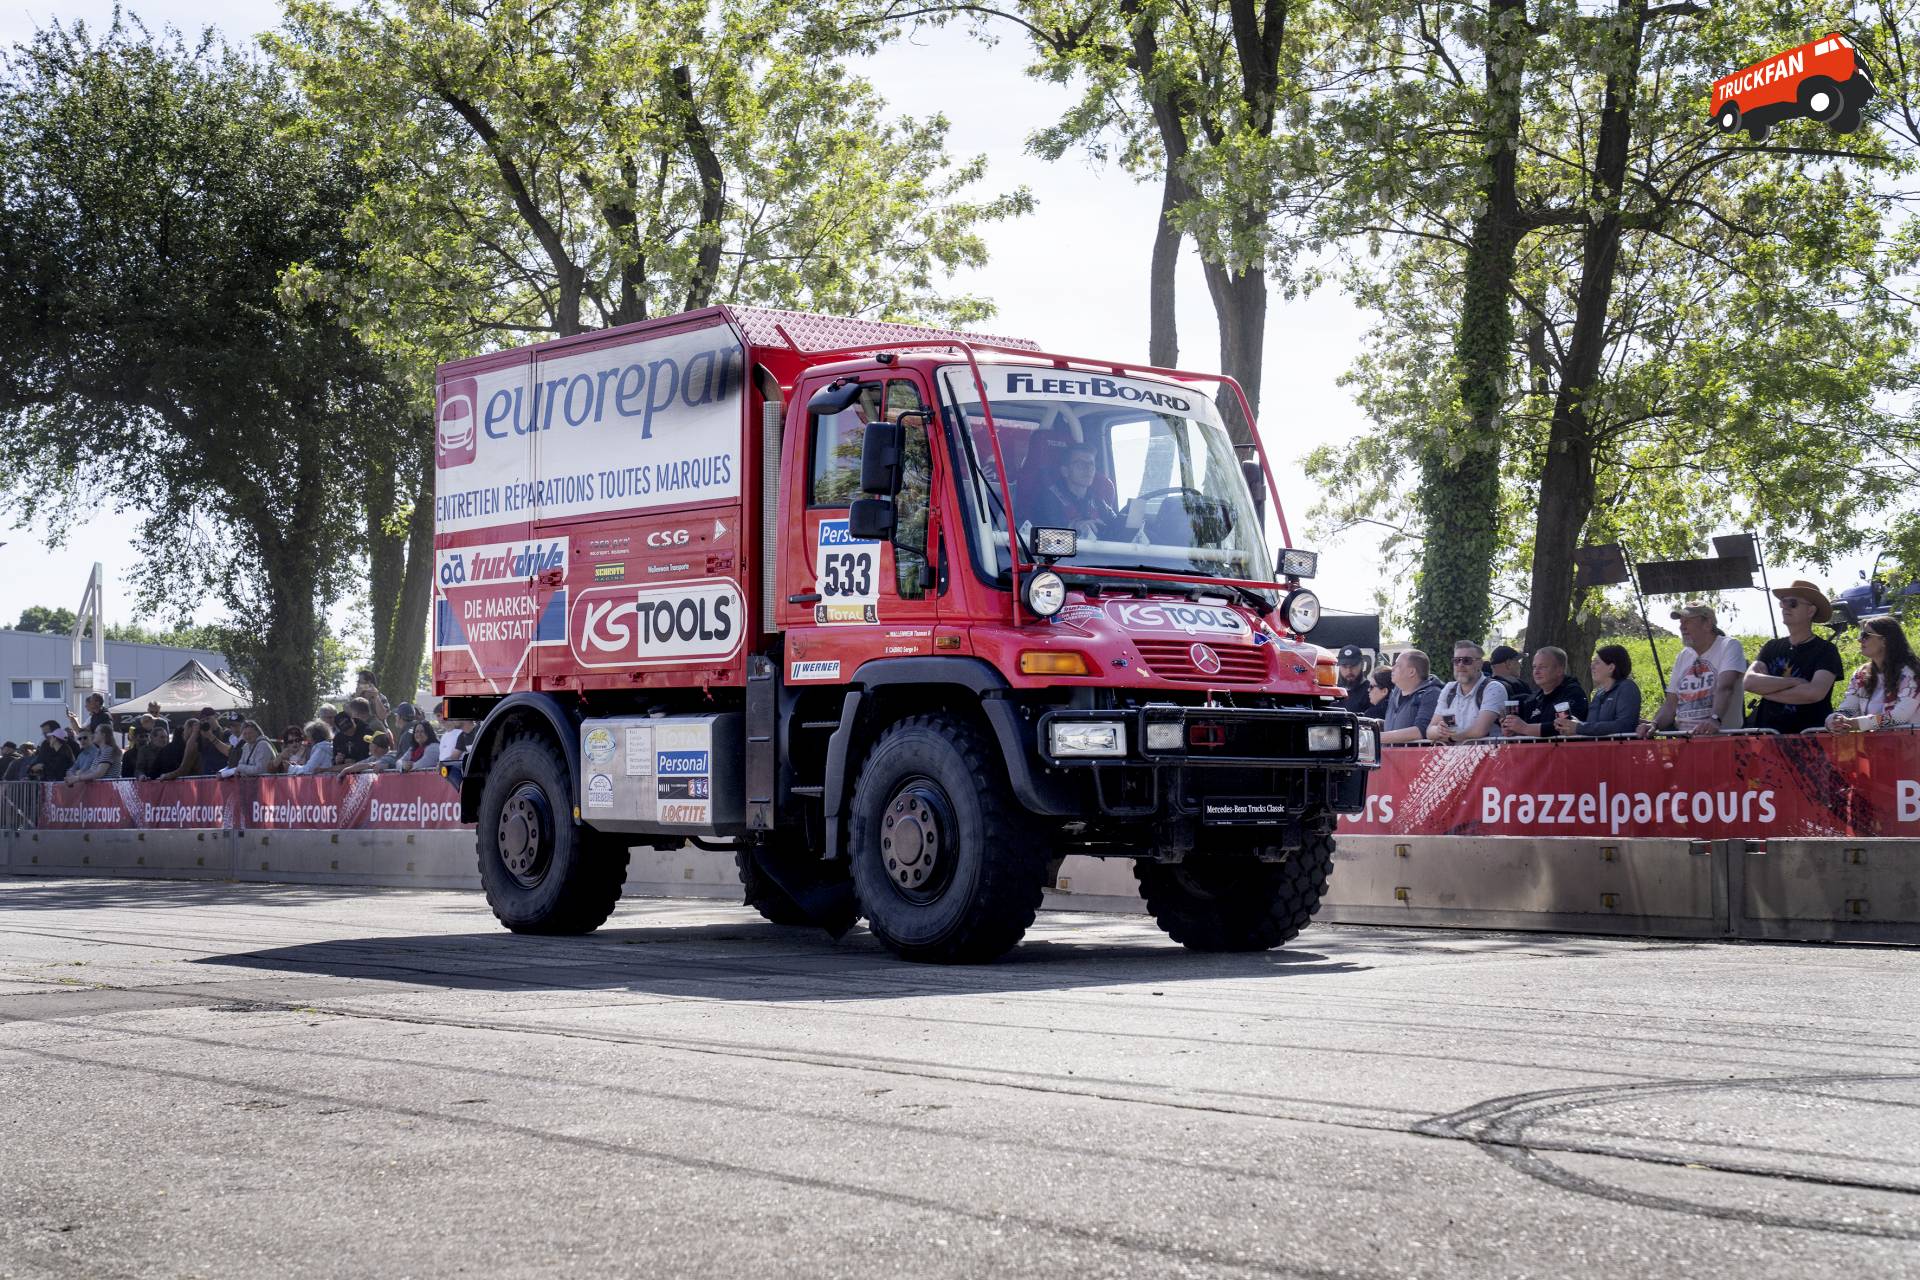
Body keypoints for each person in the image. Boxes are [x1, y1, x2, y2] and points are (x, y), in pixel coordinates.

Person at [1744, 581, 1844, 735]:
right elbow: (1749, 682)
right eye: (1783, 602)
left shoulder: (1826, 651)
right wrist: (1794, 682)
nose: (1785, 607)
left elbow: (1814, 693)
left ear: (1810, 611)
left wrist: (1766, 690)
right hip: (1767, 739)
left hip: (1810, 740)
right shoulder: (1771, 647)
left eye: (1792, 603)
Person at [1640, 603, 1747, 736]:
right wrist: (1654, 724)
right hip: (1687, 740)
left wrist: (1714, 719)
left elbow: (1725, 687)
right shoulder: (1684, 655)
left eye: (1688, 621)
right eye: (1681, 622)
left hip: (1722, 740)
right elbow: (1671, 703)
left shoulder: (1729, 646)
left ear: (1707, 624)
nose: (1681, 627)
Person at [1828, 616, 1920, 731]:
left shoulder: (1912, 673)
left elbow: (1898, 717)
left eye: (1866, 635)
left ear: (1885, 640)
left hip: (1910, 745)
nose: (1860, 640)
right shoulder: (1860, 674)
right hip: (1873, 746)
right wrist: (1835, 719)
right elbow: (1849, 708)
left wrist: (1856, 723)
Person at [1025, 441, 1119, 536]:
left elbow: (1116, 527)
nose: (1088, 468)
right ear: (1065, 471)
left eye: (1091, 464)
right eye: (1080, 464)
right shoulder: (1046, 502)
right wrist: (1073, 530)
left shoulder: (1098, 501)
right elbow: (1043, 542)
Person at [1501, 647, 1590, 739]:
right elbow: (1526, 729)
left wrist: (1525, 728)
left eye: (1543, 667)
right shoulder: (1535, 698)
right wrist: (1513, 730)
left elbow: (1567, 726)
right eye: (1534, 667)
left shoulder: (1572, 693)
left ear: (1560, 670)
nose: (1536, 671)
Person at [1428, 642, 1506, 743]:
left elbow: (1479, 731)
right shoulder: (1449, 689)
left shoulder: (1493, 688)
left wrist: (1450, 737)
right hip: (1454, 757)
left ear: (1480, 664)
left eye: (1467, 660)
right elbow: (1429, 731)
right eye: (1456, 661)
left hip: (1489, 757)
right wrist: (1439, 730)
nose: (1460, 665)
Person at [1559, 645, 1644, 737]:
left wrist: (1579, 727)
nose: (1592, 666)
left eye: (1597, 662)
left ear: (1611, 668)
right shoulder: (1599, 694)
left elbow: (1624, 725)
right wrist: (1572, 724)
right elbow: (1592, 726)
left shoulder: (1627, 688)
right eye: (1592, 662)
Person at [1379, 650, 1443, 743]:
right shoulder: (1395, 692)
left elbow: (1421, 730)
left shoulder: (1431, 693)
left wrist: (1378, 737)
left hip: (1417, 757)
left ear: (1411, 672)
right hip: (1389, 756)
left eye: (1398, 665)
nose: (1392, 668)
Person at [333, 698, 374, 767]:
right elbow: (333, 759)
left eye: (351, 729)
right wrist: (337, 760)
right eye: (346, 732)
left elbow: (375, 754)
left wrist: (356, 761)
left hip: (365, 769)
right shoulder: (338, 738)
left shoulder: (367, 731)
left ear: (353, 721)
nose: (350, 733)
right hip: (344, 772)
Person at [1334, 645, 1373, 715]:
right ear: (1339, 667)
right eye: (1344, 666)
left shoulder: (1370, 691)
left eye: (1353, 665)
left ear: (1362, 664)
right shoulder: (1334, 690)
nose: (1349, 671)